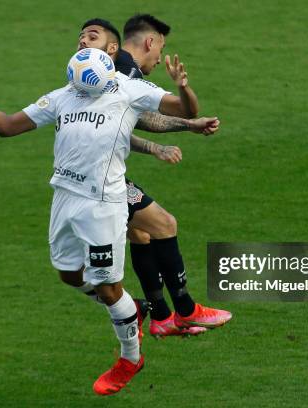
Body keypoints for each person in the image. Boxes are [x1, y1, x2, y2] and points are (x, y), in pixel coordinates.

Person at [0, 52, 219, 394]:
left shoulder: (129, 89)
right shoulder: (62, 96)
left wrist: (183, 87)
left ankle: (130, 358)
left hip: (103, 205)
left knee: (107, 287)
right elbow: (8, 126)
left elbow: (186, 110)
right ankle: (131, 309)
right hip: (64, 197)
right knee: (70, 274)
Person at [79, 16, 232, 337]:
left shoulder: (106, 70)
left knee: (141, 235)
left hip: (84, 177)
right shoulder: (121, 66)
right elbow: (116, 125)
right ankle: (187, 310)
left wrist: (177, 133)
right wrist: (166, 139)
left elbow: (125, 122)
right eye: (162, 47)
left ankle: (161, 317)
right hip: (97, 181)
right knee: (164, 224)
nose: (161, 57)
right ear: (150, 42)